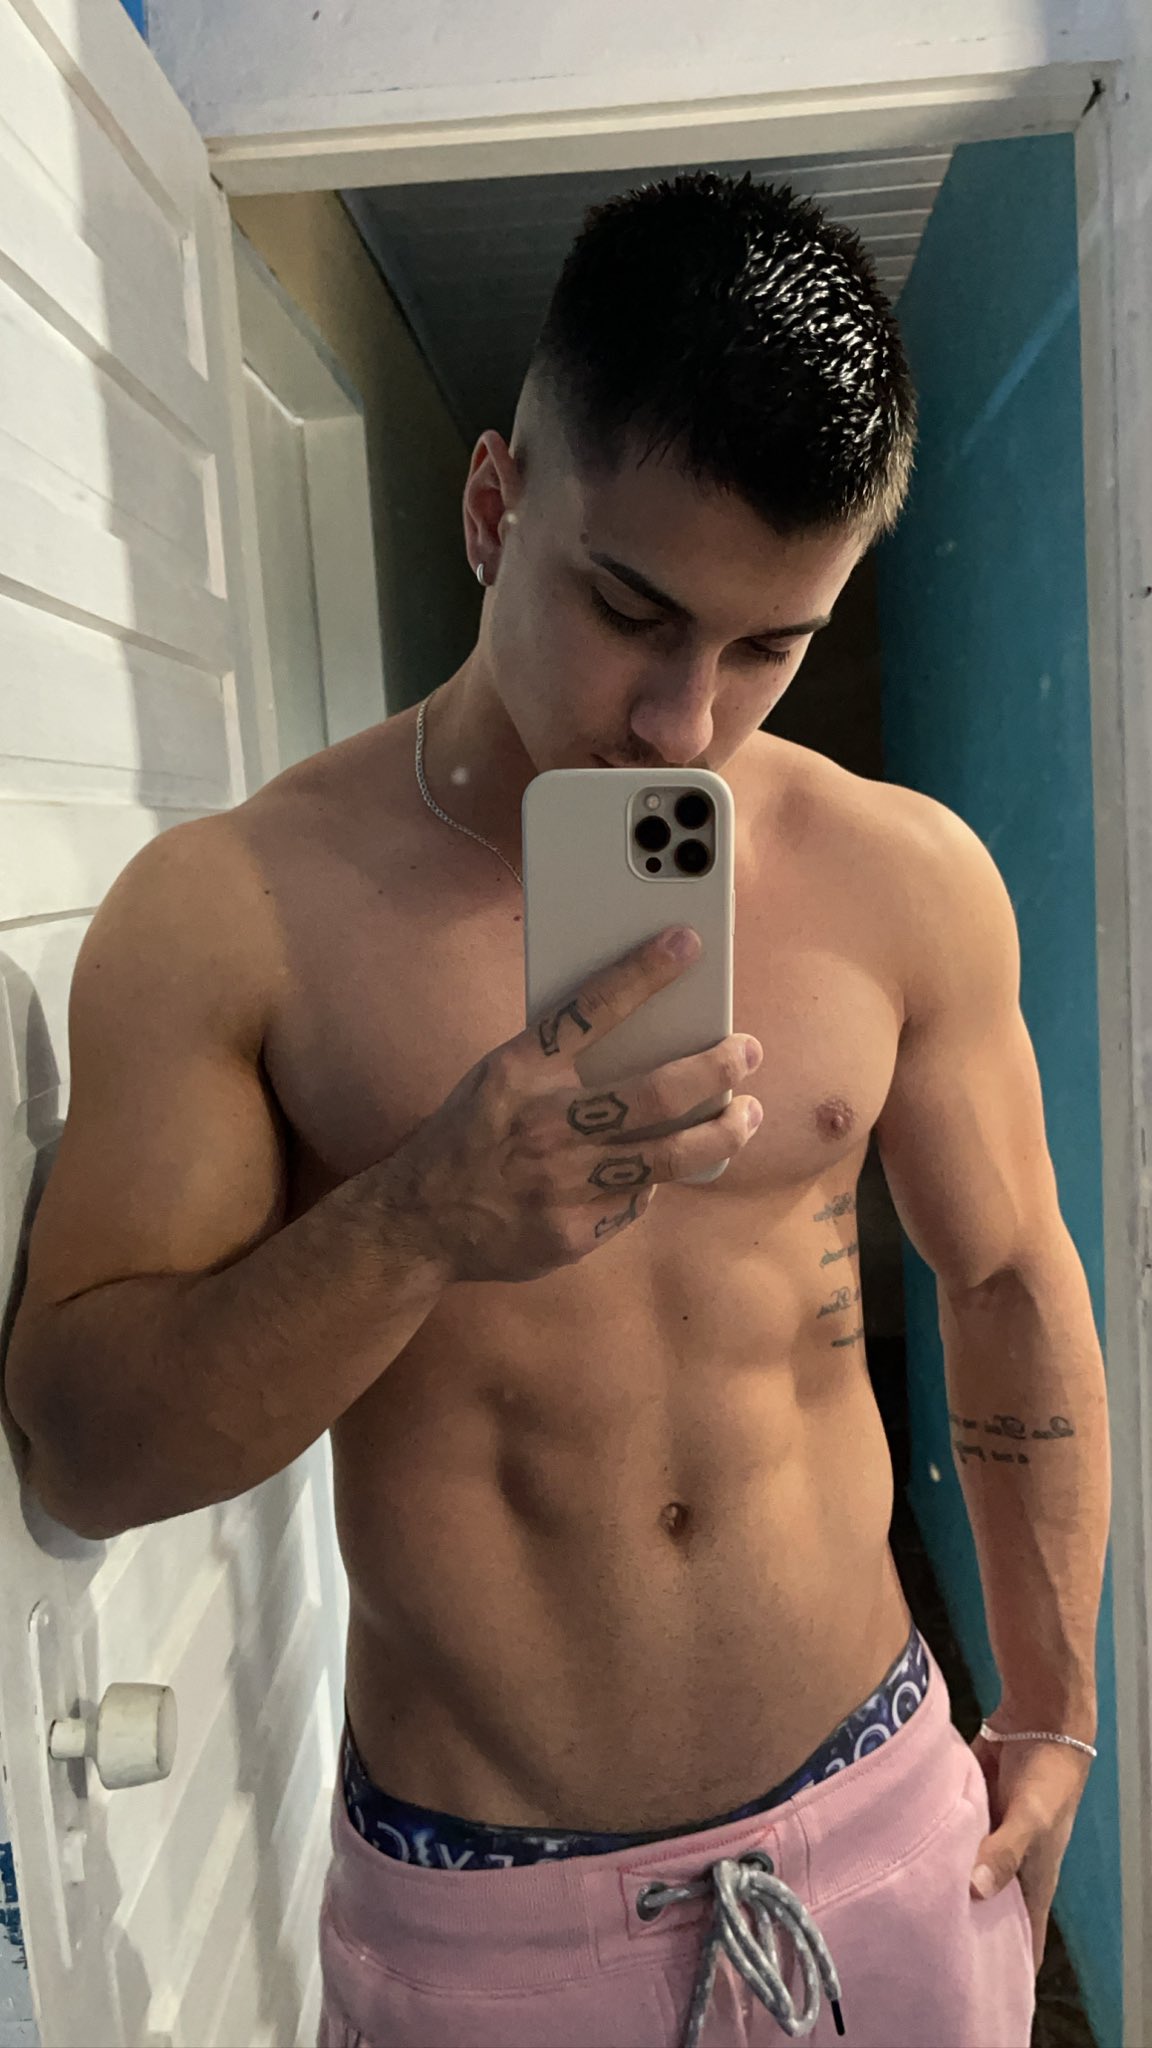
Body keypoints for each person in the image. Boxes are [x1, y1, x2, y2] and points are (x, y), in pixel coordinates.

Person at [5, 172, 1109, 2048]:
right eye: (630, 607)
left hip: (885, 1831)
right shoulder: (232, 915)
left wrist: (1057, 1702)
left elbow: (1007, 1277)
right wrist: (418, 1217)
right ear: (492, 505)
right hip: (488, 1927)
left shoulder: (906, 879)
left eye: (768, 646)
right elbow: (85, 1455)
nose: (685, 722)